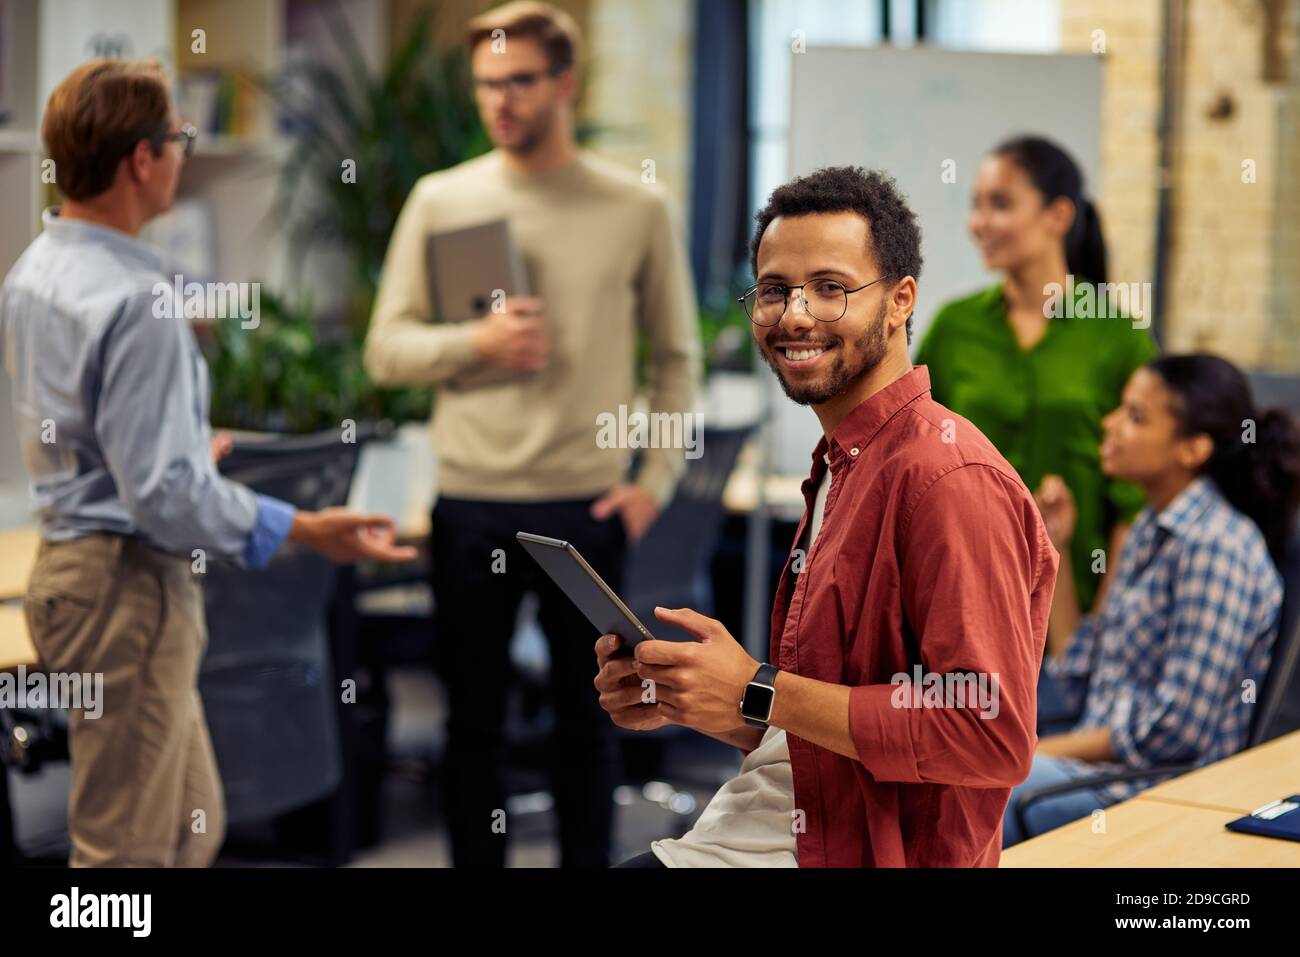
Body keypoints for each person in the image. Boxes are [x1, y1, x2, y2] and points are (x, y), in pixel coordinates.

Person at [0, 58, 415, 867]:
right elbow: (160, 494)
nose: (183, 153)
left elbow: (97, 434)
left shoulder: (35, 271)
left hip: (77, 568)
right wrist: (302, 524)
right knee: (123, 858)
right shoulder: (135, 300)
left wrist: (177, 441)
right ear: (142, 160)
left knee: (191, 826)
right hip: (127, 585)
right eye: (177, 139)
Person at [597, 166, 1057, 867]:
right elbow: (809, 730)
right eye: (775, 289)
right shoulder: (842, 464)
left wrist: (759, 685)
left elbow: (987, 734)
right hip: (769, 828)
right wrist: (701, 697)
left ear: (901, 300)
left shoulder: (949, 479)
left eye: (831, 288)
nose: (796, 314)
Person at [363, 1, 700, 867]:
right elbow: (385, 350)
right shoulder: (443, 199)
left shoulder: (636, 207)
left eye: (517, 82)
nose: (498, 102)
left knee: (594, 719)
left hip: (585, 508)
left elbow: (675, 356)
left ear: (565, 83)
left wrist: (652, 483)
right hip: (471, 502)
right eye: (485, 84)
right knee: (470, 725)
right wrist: (477, 342)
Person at [1003, 354, 1299, 845]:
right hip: (1094, 772)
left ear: (1192, 449)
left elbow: (1176, 727)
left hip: (1150, 791)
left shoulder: (1215, 547)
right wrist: (1054, 548)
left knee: (983, 784)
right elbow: (1079, 676)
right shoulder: (1150, 530)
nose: (1110, 424)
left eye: (1135, 416)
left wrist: (1037, 751)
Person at [917, 136, 1157, 627]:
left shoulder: (1119, 337)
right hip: (957, 606)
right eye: (976, 205)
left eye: (1000, 204)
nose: (979, 223)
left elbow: (1138, 499)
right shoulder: (954, 327)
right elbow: (910, 455)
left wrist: (1102, 629)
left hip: (1071, 616)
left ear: (1058, 216)